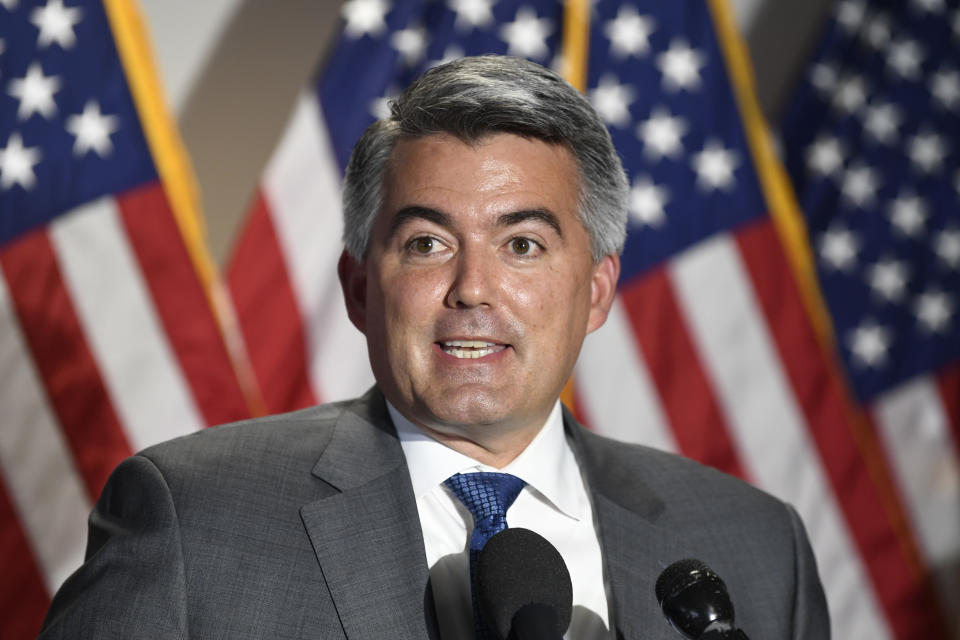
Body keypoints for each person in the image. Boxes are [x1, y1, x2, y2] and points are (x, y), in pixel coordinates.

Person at [40, 55, 829, 639]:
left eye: (522, 245)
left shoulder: (756, 545)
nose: (473, 290)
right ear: (358, 291)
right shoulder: (195, 520)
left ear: (595, 291)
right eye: (425, 244)